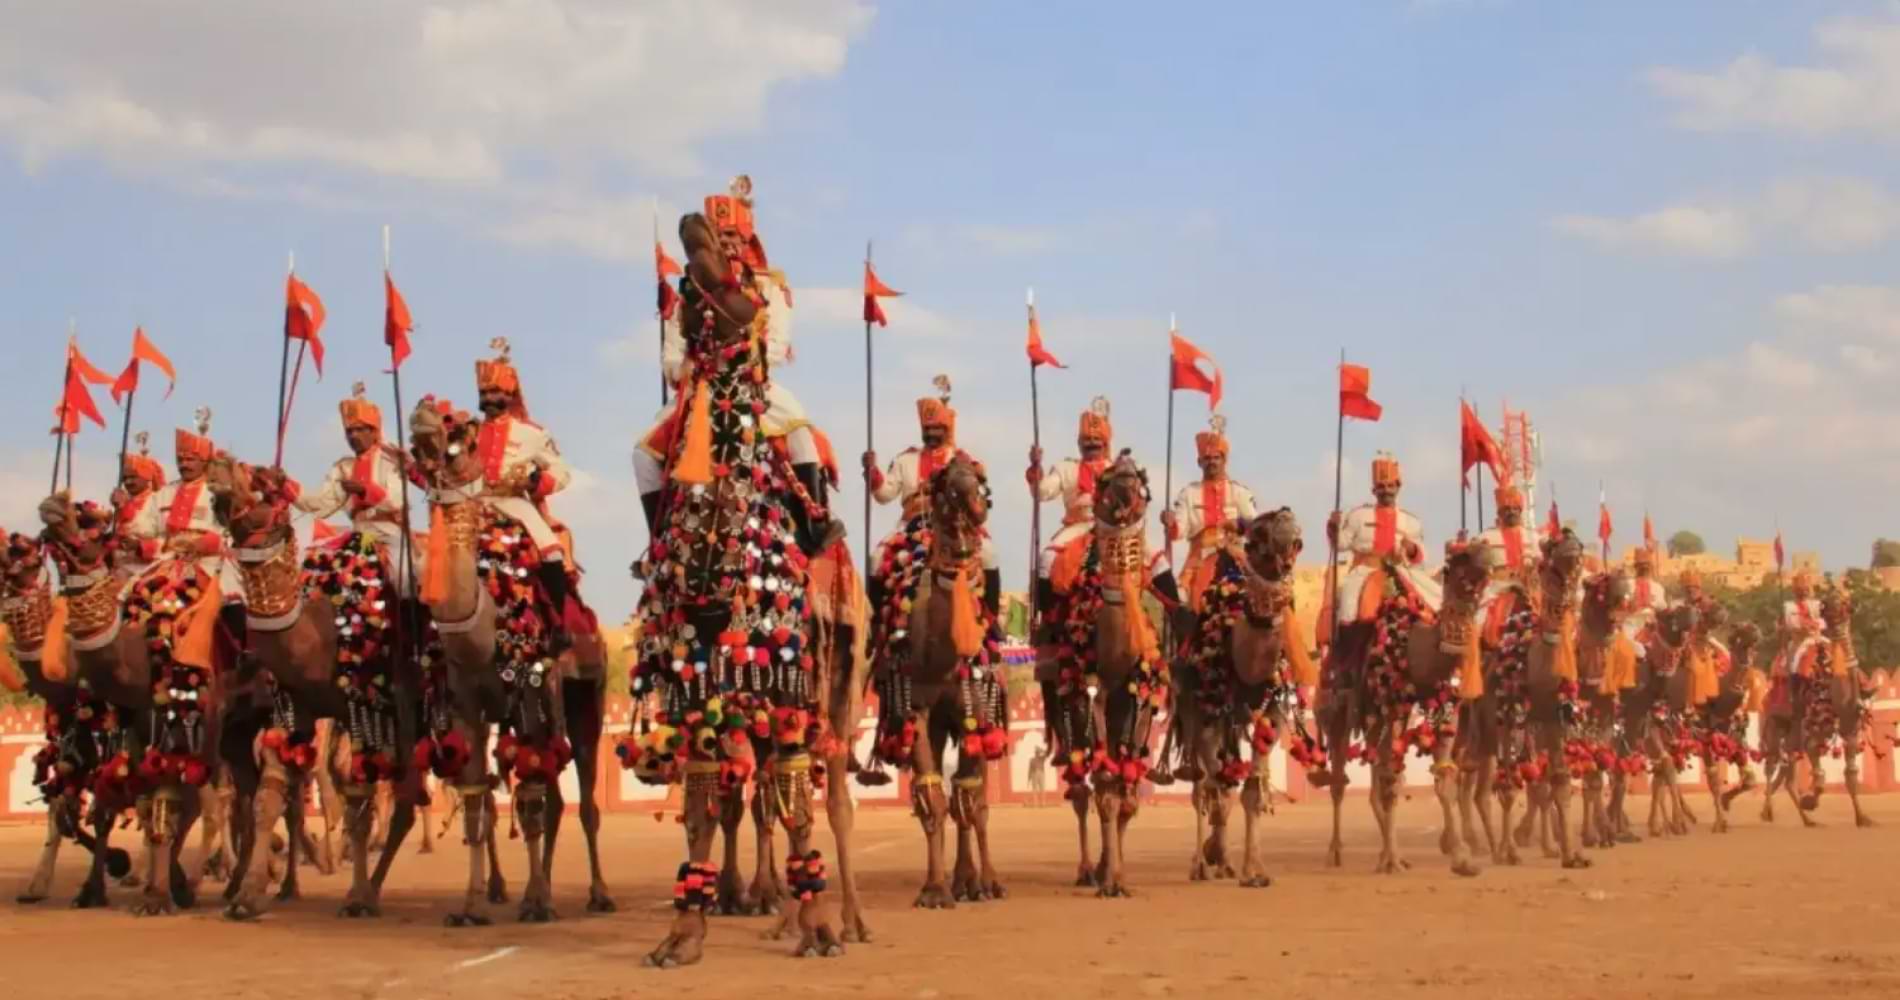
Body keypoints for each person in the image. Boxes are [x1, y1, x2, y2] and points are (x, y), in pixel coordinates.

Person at [634, 175, 829, 555]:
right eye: (718, 237)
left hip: (754, 383)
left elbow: (777, 343)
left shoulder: (769, 286)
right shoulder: (687, 291)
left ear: (745, 240)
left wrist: (748, 360)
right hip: (701, 386)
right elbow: (672, 354)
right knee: (642, 455)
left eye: (731, 237)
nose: (726, 244)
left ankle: (813, 526)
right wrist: (684, 369)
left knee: (801, 435)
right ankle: (658, 543)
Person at [471, 339, 588, 642]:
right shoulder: (467, 432)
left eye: (495, 392)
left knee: (550, 550)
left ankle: (558, 624)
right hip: (472, 505)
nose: (489, 398)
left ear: (510, 394)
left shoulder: (532, 433)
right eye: (484, 393)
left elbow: (561, 472)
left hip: (514, 502)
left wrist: (538, 482)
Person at [861, 376, 995, 602]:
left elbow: (977, 494)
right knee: (876, 558)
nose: (931, 433)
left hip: (956, 525)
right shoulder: (906, 459)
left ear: (946, 429)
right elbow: (884, 494)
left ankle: (991, 620)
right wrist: (872, 471)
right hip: (911, 525)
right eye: (927, 428)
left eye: (937, 429)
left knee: (990, 554)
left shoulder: (960, 459)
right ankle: (874, 627)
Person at [292, 383, 418, 594]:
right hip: (359, 534)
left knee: (405, 579)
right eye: (349, 431)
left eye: (359, 430)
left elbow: (398, 501)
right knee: (317, 571)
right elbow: (323, 504)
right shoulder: (343, 467)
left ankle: (410, 625)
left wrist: (365, 491)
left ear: (373, 431)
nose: (353, 436)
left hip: (389, 533)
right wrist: (288, 488)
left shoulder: (390, 460)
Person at [1323, 452, 1440, 644]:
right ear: (1374, 490)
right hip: (1364, 573)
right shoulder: (1359, 515)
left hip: (1401, 573)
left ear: (1398, 487)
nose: (1386, 490)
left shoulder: (1411, 521)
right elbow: (1341, 545)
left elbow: (1420, 556)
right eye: (1381, 487)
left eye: (1390, 486)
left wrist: (1411, 549)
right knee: (1348, 611)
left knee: (1434, 603)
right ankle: (1347, 657)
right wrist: (1334, 528)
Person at [1026, 397, 1116, 638]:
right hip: (1077, 526)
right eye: (1087, 440)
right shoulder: (1066, 468)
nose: (1092, 444)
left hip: (1110, 529)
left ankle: (1174, 616)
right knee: (1046, 558)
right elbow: (1042, 492)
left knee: (1153, 561)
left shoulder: (1117, 469)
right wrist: (1036, 468)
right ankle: (1047, 619)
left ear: (1105, 442)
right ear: (1079, 443)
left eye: (1097, 440)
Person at [1159, 414, 1257, 613]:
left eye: (1216, 458)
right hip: (1198, 560)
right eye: (1207, 458)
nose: (1212, 462)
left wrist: (1237, 526)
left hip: (1236, 555)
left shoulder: (1239, 492)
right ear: (1199, 462)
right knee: (1179, 600)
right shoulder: (1189, 493)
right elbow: (1179, 531)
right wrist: (1170, 524)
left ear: (1224, 460)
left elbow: (1255, 526)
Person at [109, 432, 168, 578]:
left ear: (146, 476)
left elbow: (170, 541)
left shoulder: (158, 501)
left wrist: (140, 546)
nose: (128, 482)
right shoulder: (123, 503)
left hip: (149, 575)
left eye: (133, 477)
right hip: (119, 576)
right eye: (125, 478)